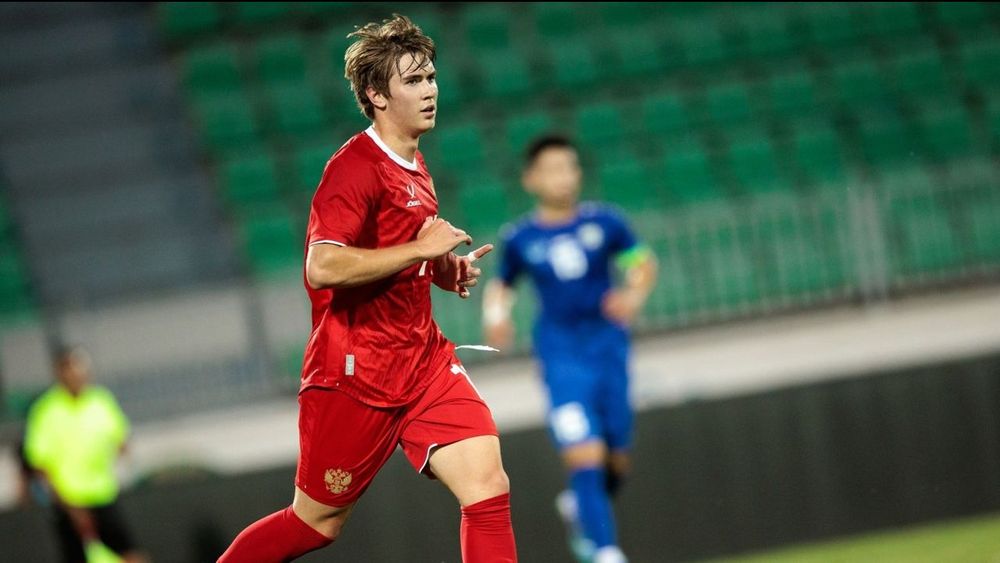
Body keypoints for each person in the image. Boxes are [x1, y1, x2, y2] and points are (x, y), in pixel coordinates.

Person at [218, 15, 517, 562]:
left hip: (422, 362)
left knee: (487, 485)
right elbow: (323, 266)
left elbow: (400, 252)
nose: (430, 90)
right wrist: (419, 253)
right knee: (315, 525)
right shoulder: (354, 168)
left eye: (431, 77)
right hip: (356, 376)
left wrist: (440, 269)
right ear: (377, 95)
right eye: (413, 80)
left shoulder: (414, 163)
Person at [482, 136, 657, 563]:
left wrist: (633, 294)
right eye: (553, 169)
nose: (564, 177)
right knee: (584, 453)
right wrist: (496, 316)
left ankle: (580, 507)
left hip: (609, 350)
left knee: (615, 459)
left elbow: (641, 263)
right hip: (561, 357)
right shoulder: (521, 238)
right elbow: (502, 284)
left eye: (570, 167)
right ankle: (606, 552)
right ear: (531, 179)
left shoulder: (606, 222)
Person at [22, 345, 146, 563]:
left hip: (103, 496)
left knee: (131, 555)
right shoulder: (45, 410)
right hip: (69, 504)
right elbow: (39, 463)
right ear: (60, 374)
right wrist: (68, 505)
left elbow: (121, 440)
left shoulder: (101, 401)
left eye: (81, 370)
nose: (77, 376)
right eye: (70, 370)